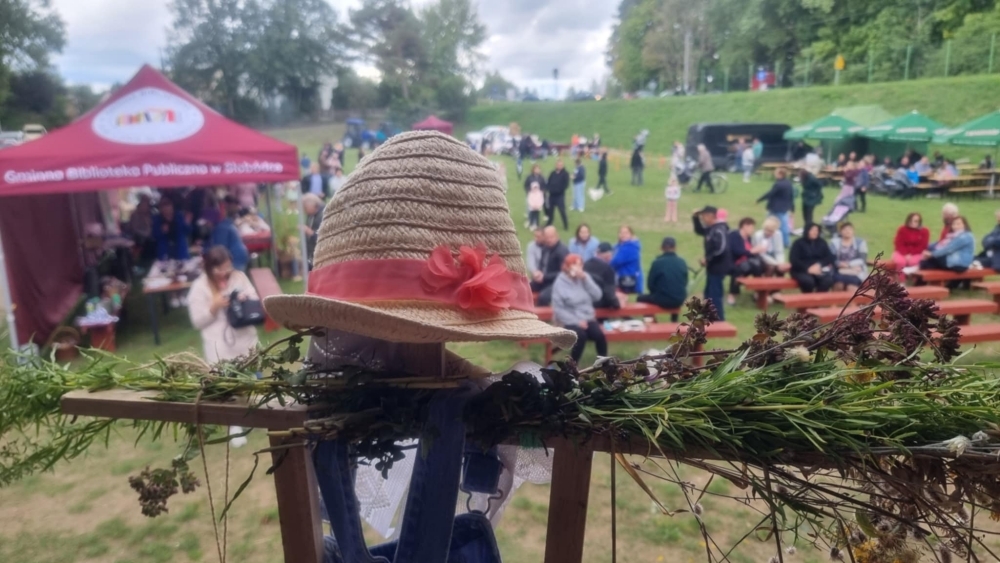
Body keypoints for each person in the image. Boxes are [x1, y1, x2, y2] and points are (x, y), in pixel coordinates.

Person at [188, 245, 260, 447]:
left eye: (227, 267)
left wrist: (245, 298)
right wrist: (214, 306)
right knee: (226, 384)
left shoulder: (239, 277)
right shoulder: (199, 287)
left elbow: (254, 298)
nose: (225, 272)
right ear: (210, 269)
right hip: (219, 343)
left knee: (252, 379)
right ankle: (234, 425)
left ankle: (257, 415)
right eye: (219, 269)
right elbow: (197, 321)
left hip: (245, 338)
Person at [551, 254, 606, 363]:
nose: (578, 269)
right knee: (580, 336)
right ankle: (572, 366)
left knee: (599, 335)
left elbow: (598, 296)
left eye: (580, 266)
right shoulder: (560, 283)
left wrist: (586, 280)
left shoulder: (585, 278)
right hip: (568, 319)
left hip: (587, 317)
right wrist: (577, 321)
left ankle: (605, 364)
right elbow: (559, 309)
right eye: (574, 266)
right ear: (567, 267)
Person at [692, 206, 731, 320]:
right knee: (708, 293)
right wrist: (695, 218)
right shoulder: (711, 228)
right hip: (712, 266)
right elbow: (699, 230)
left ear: (710, 216)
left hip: (718, 267)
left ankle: (718, 319)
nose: (703, 219)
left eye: (703, 216)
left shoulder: (719, 229)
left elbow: (721, 249)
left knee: (715, 294)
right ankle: (708, 316)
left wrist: (708, 259)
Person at [638, 237, 687, 322]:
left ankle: (650, 321)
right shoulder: (682, 262)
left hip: (663, 299)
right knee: (674, 290)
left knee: (640, 298)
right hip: (680, 299)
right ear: (675, 248)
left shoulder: (657, 263)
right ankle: (674, 320)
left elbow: (650, 284)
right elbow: (684, 282)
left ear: (661, 248)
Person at [728, 217, 766, 305]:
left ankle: (758, 292)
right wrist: (752, 251)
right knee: (739, 270)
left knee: (758, 265)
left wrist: (757, 250)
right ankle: (732, 295)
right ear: (745, 226)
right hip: (734, 262)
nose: (753, 230)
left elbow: (749, 254)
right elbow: (737, 251)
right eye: (751, 227)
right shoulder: (734, 235)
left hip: (747, 263)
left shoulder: (748, 238)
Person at [789, 223, 835, 293]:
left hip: (819, 269)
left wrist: (819, 265)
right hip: (801, 270)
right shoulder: (798, 243)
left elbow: (829, 257)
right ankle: (807, 301)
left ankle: (817, 301)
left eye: (816, 230)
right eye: (812, 230)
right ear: (807, 231)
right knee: (808, 281)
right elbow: (794, 260)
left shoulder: (822, 242)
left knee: (827, 280)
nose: (815, 232)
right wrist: (808, 269)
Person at [210, 195, 250, 272]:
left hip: (235, 260)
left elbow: (220, 249)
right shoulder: (227, 223)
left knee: (232, 281)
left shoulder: (221, 227)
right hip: (241, 256)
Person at [756, 168, 794, 247]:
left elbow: (770, 193)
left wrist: (759, 200)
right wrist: (792, 207)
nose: (774, 174)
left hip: (775, 207)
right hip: (784, 207)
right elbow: (791, 196)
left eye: (776, 173)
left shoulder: (778, 184)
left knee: (769, 223)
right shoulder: (788, 183)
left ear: (780, 174)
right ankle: (786, 242)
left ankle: (765, 239)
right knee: (784, 225)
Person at [829, 222, 868, 291]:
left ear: (853, 231)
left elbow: (862, 259)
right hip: (838, 270)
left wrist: (848, 265)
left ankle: (852, 301)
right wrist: (839, 264)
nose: (847, 231)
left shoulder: (860, 242)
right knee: (838, 284)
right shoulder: (834, 243)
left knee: (851, 287)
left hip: (856, 270)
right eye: (845, 230)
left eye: (850, 229)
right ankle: (836, 301)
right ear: (840, 232)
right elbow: (832, 258)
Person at [530, 226, 569, 296]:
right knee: (525, 288)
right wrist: (538, 273)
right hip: (544, 280)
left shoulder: (562, 251)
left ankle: (540, 306)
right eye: (547, 237)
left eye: (551, 237)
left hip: (557, 282)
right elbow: (541, 265)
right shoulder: (545, 248)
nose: (549, 240)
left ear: (557, 236)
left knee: (543, 296)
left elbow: (564, 273)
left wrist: (545, 276)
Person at [152, 197, 191, 262]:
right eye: (164, 209)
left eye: (169, 208)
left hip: (180, 250)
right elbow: (154, 235)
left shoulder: (179, 216)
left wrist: (187, 224)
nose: (167, 211)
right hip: (164, 251)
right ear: (161, 209)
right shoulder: (157, 219)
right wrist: (162, 231)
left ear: (172, 207)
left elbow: (187, 231)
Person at [584, 242, 621, 309]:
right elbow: (609, 294)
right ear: (608, 256)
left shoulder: (585, 264)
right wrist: (617, 304)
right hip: (599, 304)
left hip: (584, 302)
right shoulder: (608, 269)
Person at [610, 225, 643, 294]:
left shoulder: (630, 247)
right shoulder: (618, 246)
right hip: (622, 278)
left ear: (631, 234)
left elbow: (616, 262)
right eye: (621, 233)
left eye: (626, 233)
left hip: (628, 280)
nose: (623, 235)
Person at [301, 193, 324, 269]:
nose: (304, 210)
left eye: (305, 207)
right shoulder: (310, 216)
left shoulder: (322, 216)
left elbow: (321, 237)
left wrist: (308, 231)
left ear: (312, 205)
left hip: (320, 254)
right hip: (311, 253)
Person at [546, 160, 570, 230]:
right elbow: (548, 182)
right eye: (558, 165)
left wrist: (559, 190)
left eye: (561, 165)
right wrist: (548, 188)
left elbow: (566, 185)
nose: (559, 166)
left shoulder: (565, 174)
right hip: (551, 195)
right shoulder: (552, 173)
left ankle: (566, 225)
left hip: (560, 196)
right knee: (550, 211)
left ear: (563, 165)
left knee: (562, 211)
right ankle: (549, 223)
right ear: (556, 165)